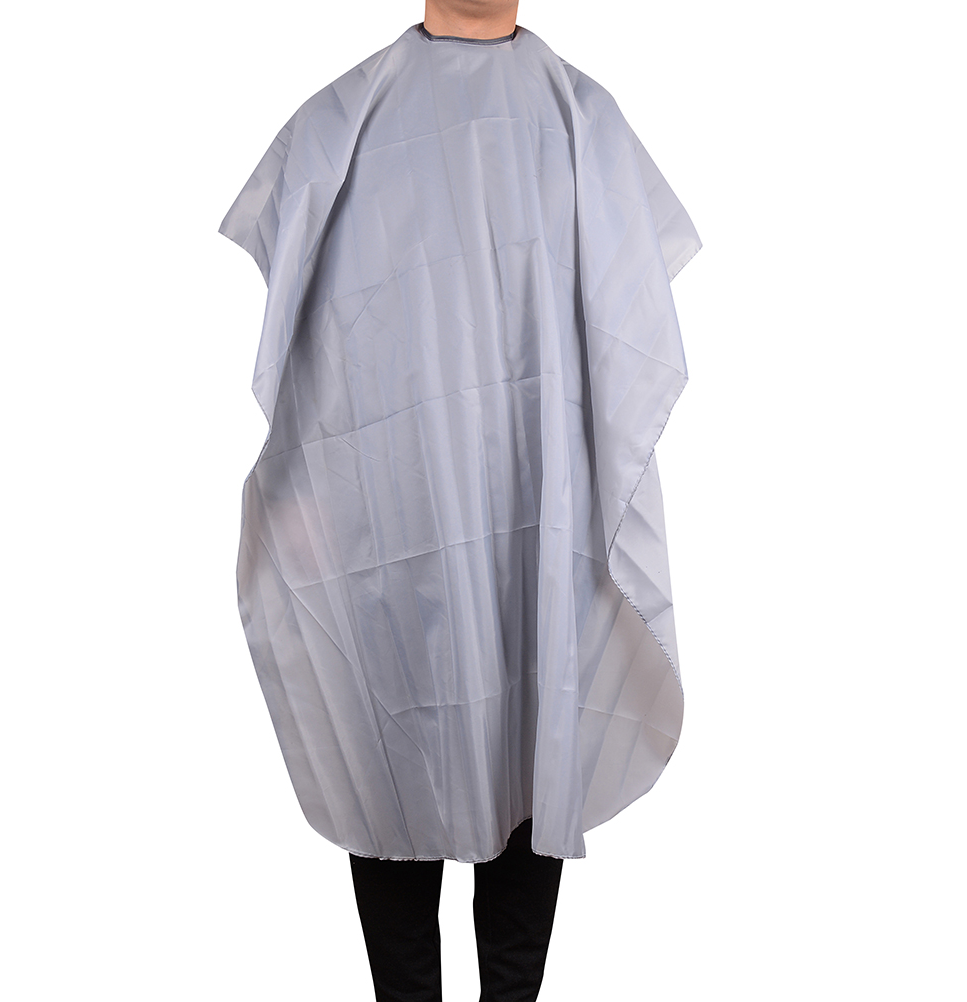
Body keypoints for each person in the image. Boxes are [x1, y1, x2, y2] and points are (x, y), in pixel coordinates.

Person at [219, 1, 701, 998]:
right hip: (385, 533)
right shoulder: (336, 127)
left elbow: (630, 347)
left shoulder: (588, 126)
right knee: (391, 768)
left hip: (541, 526)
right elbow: (305, 354)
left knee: (530, 754)